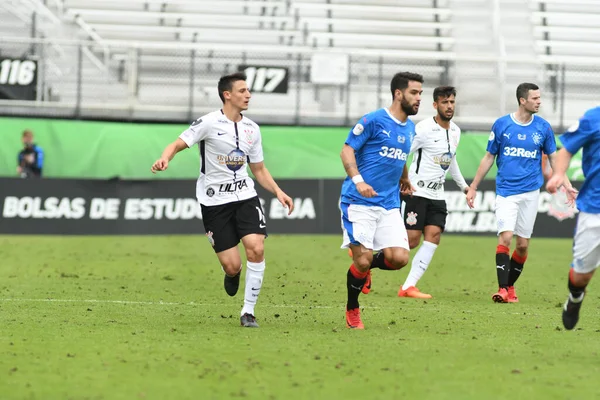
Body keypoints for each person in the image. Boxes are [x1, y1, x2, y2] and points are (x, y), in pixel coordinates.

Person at [150, 72, 294, 328]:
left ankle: (248, 312)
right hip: (215, 202)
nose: (248, 95)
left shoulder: (252, 129)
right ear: (227, 95)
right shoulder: (207, 123)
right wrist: (165, 159)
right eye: (242, 91)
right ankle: (233, 274)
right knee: (231, 265)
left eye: (248, 91)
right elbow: (176, 144)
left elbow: (258, 169)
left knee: (256, 248)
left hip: (246, 197)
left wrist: (278, 192)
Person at [466, 83, 577, 303]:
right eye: (534, 98)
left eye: (539, 97)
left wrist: (566, 184)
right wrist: (474, 186)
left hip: (531, 193)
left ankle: (510, 287)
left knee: (523, 245)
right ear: (522, 100)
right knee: (506, 237)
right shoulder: (502, 125)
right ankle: (502, 289)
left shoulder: (543, 128)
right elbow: (489, 157)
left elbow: (555, 161)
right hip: (506, 191)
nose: (539, 101)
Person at [340, 71, 423, 329]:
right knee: (362, 260)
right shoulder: (374, 120)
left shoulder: (410, 128)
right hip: (358, 201)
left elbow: (401, 156)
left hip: (388, 204)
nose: (419, 98)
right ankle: (352, 308)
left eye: (420, 93)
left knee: (399, 258)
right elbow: (347, 150)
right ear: (398, 94)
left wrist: (405, 178)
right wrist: (358, 181)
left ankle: (365, 272)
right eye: (414, 93)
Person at [397, 86, 469, 299]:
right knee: (411, 241)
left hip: (438, 195)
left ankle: (408, 287)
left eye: (452, 102)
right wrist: (404, 179)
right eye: (445, 102)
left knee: (434, 236)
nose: (449, 106)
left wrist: (464, 187)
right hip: (416, 193)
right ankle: (368, 264)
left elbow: (451, 161)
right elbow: (402, 154)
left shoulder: (456, 131)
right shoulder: (423, 129)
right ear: (435, 105)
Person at [546, 106, 599, 330]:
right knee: (580, 277)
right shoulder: (592, 118)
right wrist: (558, 174)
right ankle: (575, 298)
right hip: (595, 209)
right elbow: (566, 149)